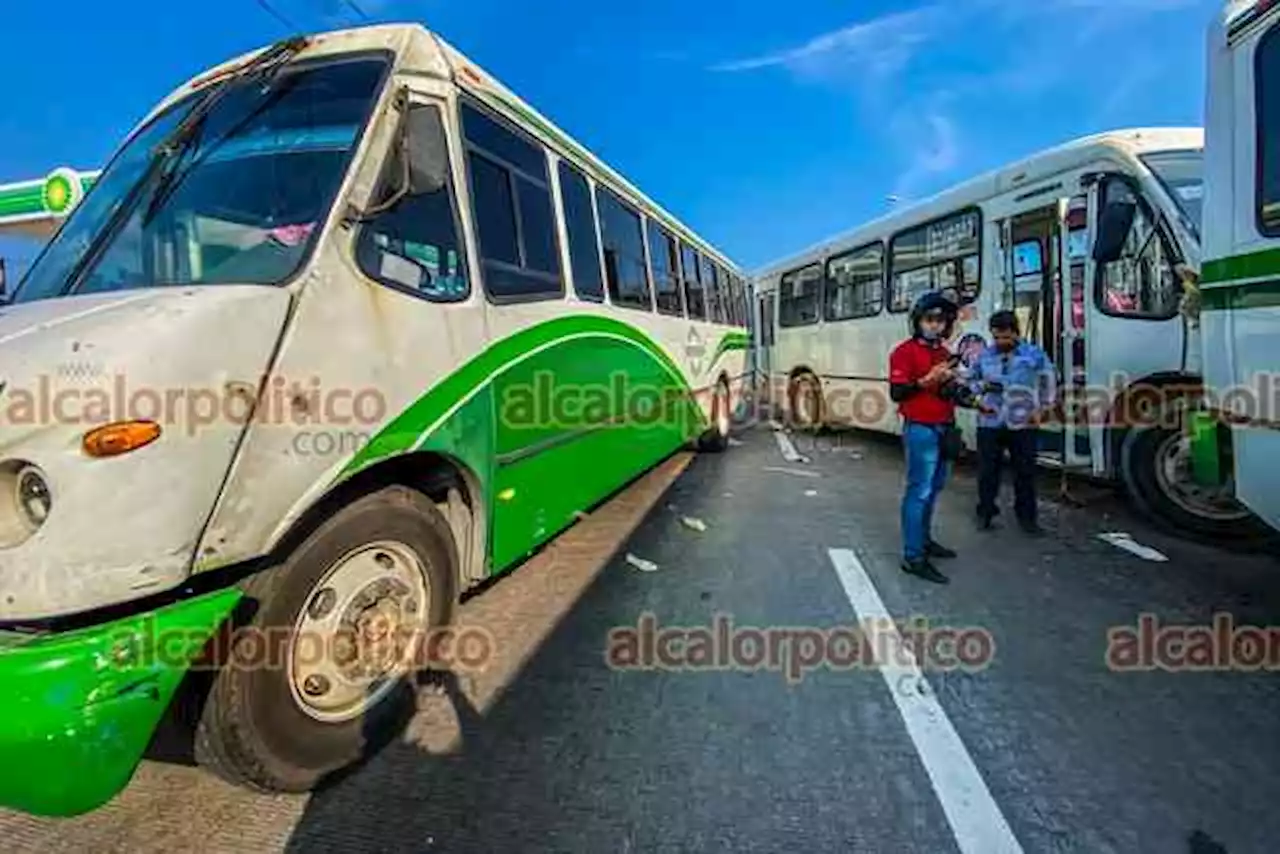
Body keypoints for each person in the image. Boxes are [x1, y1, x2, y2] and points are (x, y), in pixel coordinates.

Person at [889, 291, 967, 585]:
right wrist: (925, 381)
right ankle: (913, 557)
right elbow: (897, 392)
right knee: (919, 490)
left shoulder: (946, 354)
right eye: (930, 319)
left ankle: (924, 540)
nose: (935, 325)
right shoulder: (903, 352)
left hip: (945, 426)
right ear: (918, 322)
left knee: (935, 488)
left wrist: (967, 391)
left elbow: (948, 392)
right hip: (920, 428)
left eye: (941, 321)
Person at [968, 310, 1057, 535]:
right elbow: (970, 380)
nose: (1001, 342)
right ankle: (985, 513)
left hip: (1023, 422)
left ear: (1016, 333)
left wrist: (1044, 409)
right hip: (990, 421)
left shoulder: (1034, 355)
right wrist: (981, 391)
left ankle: (1027, 520)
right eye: (996, 337)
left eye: (1005, 337)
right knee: (988, 472)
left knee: (1025, 473)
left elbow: (1050, 381)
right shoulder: (984, 355)